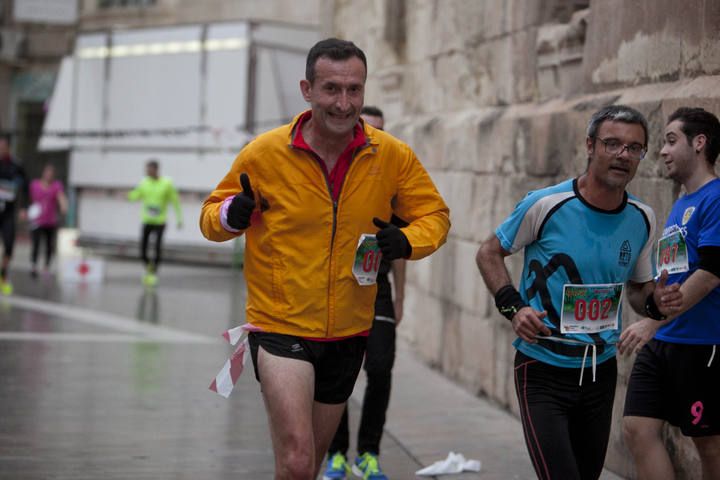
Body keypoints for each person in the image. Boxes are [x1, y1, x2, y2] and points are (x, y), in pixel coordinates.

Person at [200, 38, 450, 480]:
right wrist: (230, 214)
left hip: (350, 330)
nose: (344, 102)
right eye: (332, 89)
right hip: (281, 325)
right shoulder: (265, 153)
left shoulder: (390, 154)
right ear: (307, 89)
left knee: (309, 465)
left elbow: (435, 216)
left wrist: (407, 241)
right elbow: (210, 217)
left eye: (354, 90)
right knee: (297, 460)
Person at [476, 105, 681, 480]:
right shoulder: (546, 204)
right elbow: (489, 252)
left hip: (599, 370)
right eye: (613, 144)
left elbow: (636, 291)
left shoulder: (642, 218)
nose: (623, 155)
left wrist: (654, 302)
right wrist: (514, 308)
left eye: (635, 148)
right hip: (542, 367)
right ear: (590, 145)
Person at [621, 107, 720, 480]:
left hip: (702, 343)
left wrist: (650, 322)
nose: (661, 150)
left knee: (708, 442)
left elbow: (711, 274)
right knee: (636, 427)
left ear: (699, 143)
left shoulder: (716, 198)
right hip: (665, 340)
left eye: (670, 140)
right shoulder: (681, 203)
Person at [323, 106, 407, 480]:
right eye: (370, 130)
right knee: (336, 373)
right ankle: (336, 453)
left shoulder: (392, 181)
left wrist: (401, 297)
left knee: (380, 367)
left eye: (382, 131)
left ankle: (368, 453)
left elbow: (401, 247)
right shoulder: (333, 177)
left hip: (377, 289)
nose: (376, 138)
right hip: (337, 292)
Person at [127, 159, 182, 287]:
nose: (147, 172)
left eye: (149, 170)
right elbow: (136, 195)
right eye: (146, 170)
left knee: (157, 247)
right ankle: (148, 267)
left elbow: (175, 201)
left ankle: (153, 272)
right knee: (143, 250)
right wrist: (128, 196)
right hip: (147, 221)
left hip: (160, 222)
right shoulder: (144, 183)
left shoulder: (167, 183)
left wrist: (179, 219)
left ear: (156, 170)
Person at [0, 135, 29, 295]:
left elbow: (25, 188)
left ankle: (3, 276)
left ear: (8, 148)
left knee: (9, 245)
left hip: (8, 213)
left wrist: (24, 208)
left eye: (3, 147)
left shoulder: (17, 166)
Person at [28, 164, 68, 277]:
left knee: (49, 245)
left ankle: (46, 267)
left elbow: (61, 197)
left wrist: (64, 205)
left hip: (50, 220)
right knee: (36, 243)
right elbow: (29, 198)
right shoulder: (34, 184)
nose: (49, 175)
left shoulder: (56, 186)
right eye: (47, 172)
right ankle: (33, 265)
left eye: (51, 173)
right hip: (37, 220)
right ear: (43, 173)